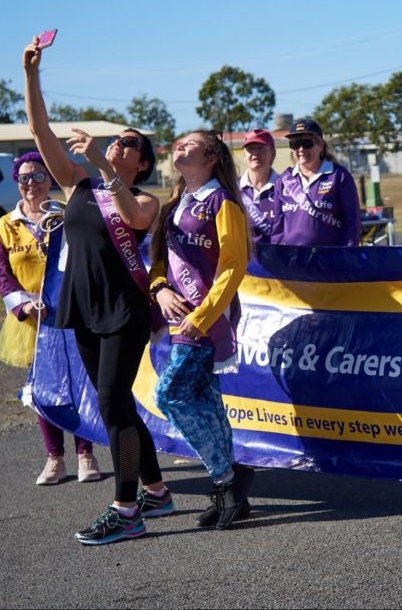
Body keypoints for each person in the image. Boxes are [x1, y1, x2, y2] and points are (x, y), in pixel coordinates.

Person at [23, 37, 171, 545]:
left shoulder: (148, 199)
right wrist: (31, 75)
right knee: (119, 407)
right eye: (118, 140)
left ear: (143, 163)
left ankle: (127, 510)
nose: (120, 144)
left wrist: (107, 169)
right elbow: (40, 133)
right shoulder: (79, 186)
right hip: (83, 310)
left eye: (131, 144)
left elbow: (131, 218)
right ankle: (155, 488)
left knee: (110, 404)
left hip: (125, 313)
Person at [147, 131, 252, 530]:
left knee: (170, 394)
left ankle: (226, 479)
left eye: (189, 145)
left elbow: (233, 265)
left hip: (206, 321)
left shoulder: (221, 203)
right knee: (206, 400)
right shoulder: (175, 203)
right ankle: (232, 490)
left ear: (210, 158)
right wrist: (158, 289)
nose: (179, 147)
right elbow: (158, 258)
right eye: (178, 144)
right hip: (178, 317)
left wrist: (203, 315)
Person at [0, 152, 101, 486]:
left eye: (38, 176)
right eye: (24, 178)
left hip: (70, 313)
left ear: (50, 179)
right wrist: (23, 303)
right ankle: (55, 458)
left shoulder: (65, 215)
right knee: (43, 390)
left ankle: (85, 453)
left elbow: (83, 256)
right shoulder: (5, 225)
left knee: (79, 385)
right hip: (31, 321)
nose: (31, 184)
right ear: (16, 183)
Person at [270, 118, 361, 246]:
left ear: (320, 145)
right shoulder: (283, 181)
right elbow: (278, 229)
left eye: (307, 143)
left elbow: (352, 223)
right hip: (293, 261)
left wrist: (345, 256)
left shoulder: (339, 176)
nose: (301, 149)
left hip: (329, 261)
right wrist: (278, 259)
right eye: (295, 144)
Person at [239, 128, 280, 245]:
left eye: (261, 148)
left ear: (273, 154)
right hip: (242, 260)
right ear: (244, 155)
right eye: (250, 149)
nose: (255, 153)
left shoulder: (286, 187)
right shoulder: (232, 189)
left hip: (276, 260)